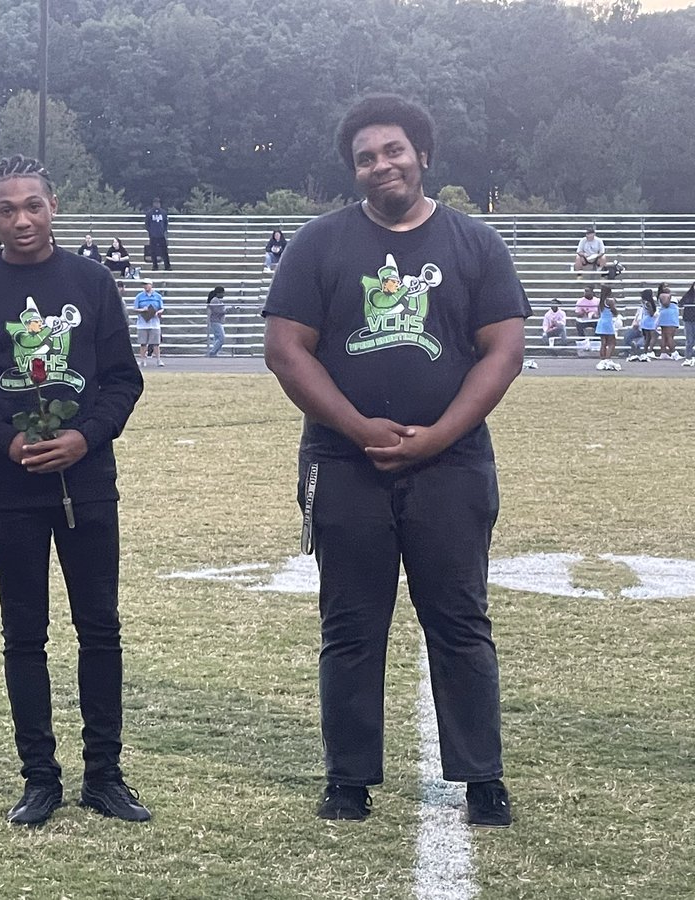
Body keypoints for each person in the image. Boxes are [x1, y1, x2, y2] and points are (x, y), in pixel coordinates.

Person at [263, 94, 528, 829]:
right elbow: (285, 350)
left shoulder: (475, 244)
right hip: (343, 462)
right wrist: (357, 428)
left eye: (394, 151)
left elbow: (503, 350)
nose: (383, 165)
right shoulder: (319, 244)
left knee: (460, 620)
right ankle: (348, 778)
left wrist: (440, 434)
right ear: (355, 171)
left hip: (453, 463)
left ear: (422, 154)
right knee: (351, 622)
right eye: (367, 158)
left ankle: (482, 778)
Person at [0, 154, 149, 827]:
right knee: (25, 637)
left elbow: (122, 380)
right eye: (6, 208)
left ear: (55, 206)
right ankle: (39, 779)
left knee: (100, 630)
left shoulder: (92, 282)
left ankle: (104, 777)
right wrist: (4, 441)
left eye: (32, 205)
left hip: (88, 488)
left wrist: (85, 438)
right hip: (8, 494)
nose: (21, 219)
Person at [134, 280, 164, 367]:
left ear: (151, 285)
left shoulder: (157, 296)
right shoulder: (139, 296)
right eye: (144, 285)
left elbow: (162, 308)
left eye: (146, 284)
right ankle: (142, 360)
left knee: (156, 343)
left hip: (154, 322)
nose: (145, 286)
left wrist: (158, 312)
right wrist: (143, 310)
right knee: (143, 343)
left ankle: (158, 359)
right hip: (142, 323)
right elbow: (135, 308)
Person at [595, 284, 620, 370]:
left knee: (603, 342)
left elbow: (598, 313)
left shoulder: (601, 301)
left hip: (601, 321)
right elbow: (614, 311)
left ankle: (602, 359)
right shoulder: (610, 300)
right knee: (612, 342)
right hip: (608, 322)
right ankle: (608, 358)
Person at [145, 197, 171, 271]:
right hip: (153, 236)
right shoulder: (149, 213)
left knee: (164, 251)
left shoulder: (163, 213)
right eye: (155, 203)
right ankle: (155, 266)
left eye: (158, 203)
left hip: (161, 235)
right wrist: (151, 232)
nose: (157, 204)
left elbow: (166, 223)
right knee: (153, 252)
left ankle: (167, 266)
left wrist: (164, 231)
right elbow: (147, 224)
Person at [656, 282, 680, 359]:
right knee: (670, 335)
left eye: (668, 286)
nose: (667, 288)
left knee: (664, 335)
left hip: (668, 315)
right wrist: (669, 297)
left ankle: (663, 352)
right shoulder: (664, 295)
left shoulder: (663, 295)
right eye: (665, 286)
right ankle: (673, 352)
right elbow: (666, 304)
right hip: (669, 316)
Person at [574, 285, 599, 351]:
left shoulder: (597, 301)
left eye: (587, 291)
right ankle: (583, 340)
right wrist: (583, 313)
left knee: (600, 325)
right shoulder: (580, 301)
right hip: (584, 320)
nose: (585, 293)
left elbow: (600, 312)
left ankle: (594, 341)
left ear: (592, 292)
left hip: (594, 320)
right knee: (578, 324)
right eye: (585, 291)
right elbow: (577, 313)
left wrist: (595, 314)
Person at [207, 285, 228, 356]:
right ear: (218, 293)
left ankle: (214, 352)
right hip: (215, 321)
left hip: (217, 321)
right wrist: (226, 311)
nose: (223, 295)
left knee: (217, 338)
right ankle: (213, 352)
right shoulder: (215, 300)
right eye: (222, 293)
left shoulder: (217, 300)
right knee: (221, 338)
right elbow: (217, 310)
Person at [680, 281, 695, 367]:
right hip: (688, 319)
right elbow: (681, 303)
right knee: (689, 340)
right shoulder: (688, 295)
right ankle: (688, 358)